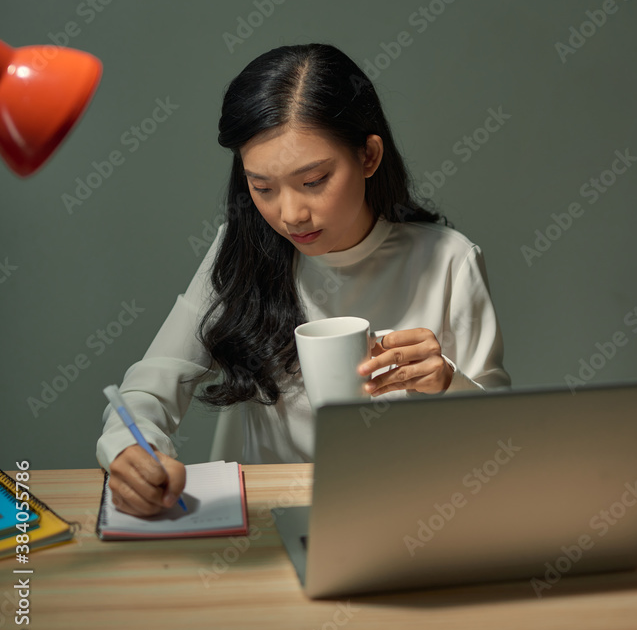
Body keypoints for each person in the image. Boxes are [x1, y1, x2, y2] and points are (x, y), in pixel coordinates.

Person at [96, 43, 510, 516]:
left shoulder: (448, 259)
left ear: (369, 156)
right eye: (263, 188)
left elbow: (500, 435)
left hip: (413, 513)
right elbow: (149, 390)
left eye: (313, 181)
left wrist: (448, 382)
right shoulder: (241, 251)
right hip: (275, 521)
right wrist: (131, 449)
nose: (290, 215)